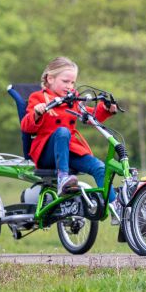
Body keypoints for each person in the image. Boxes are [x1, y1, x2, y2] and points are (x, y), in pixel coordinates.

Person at [20, 56, 119, 206]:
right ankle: (63, 179)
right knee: (62, 132)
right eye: (65, 81)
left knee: (100, 168)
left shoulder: (72, 99)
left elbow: (90, 115)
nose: (69, 86)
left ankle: (116, 208)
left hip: (70, 151)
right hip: (47, 153)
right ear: (50, 78)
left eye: (72, 82)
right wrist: (37, 113)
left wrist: (106, 109)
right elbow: (26, 126)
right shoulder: (38, 97)